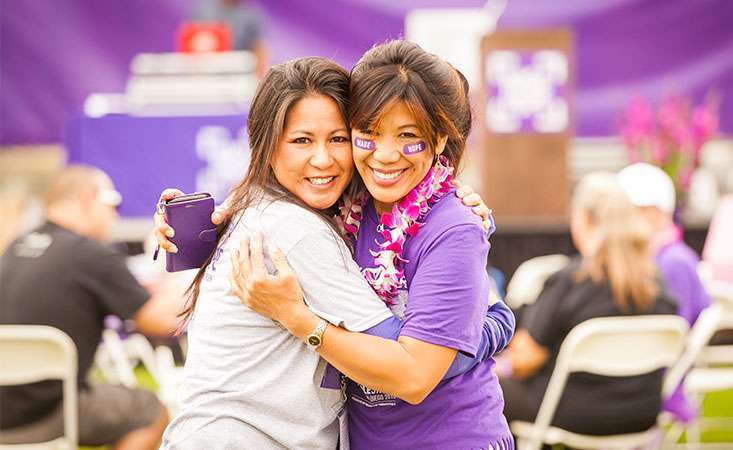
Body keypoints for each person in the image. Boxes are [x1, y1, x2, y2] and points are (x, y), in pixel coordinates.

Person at [156, 55, 512, 449]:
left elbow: (416, 367)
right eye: (301, 140)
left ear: (439, 140)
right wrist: (495, 327)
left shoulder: (324, 213)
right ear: (267, 145)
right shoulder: (301, 228)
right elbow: (409, 364)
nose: (323, 159)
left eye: (338, 138)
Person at [0, 165, 178, 449]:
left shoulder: (15, 246)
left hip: (5, 410)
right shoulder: (91, 254)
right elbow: (162, 323)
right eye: (112, 203)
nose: (115, 214)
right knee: (151, 411)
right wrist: (189, 275)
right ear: (88, 199)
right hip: (47, 412)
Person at [497, 172, 678, 436]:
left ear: (583, 219)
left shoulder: (571, 280)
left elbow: (525, 361)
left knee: (482, 390)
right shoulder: (656, 283)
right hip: (641, 412)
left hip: (574, 413)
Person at [618, 162, 712, 422]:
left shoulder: (673, 262)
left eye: (631, 212)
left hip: (654, 387)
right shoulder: (658, 258)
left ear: (657, 213)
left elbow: (669, 339)